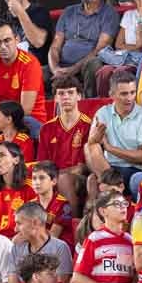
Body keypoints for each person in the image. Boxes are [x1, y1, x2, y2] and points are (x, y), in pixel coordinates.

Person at [69, 190, 136, 283]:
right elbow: (77, 278)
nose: (123, 208)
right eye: (117, 204)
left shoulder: (130, 241)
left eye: (125, 204)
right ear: (103, 211)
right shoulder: (94, 239)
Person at [48, 0, 120, 96]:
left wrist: (73, 69)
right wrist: (55, 69)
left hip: (85, 66)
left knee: (94, 64)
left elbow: (100, 49)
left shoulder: (109, 14)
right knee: (35, 71)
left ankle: (88, 105)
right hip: (61, 67)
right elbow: (55, 46)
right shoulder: (68, 11)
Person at [84, 70, 142, 194]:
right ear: (111, 94)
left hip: (134, 169)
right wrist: (94, 140)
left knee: (93, 180)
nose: (129, 98)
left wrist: (110, 148)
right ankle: (110, 185)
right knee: (90, 145)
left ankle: (109, 188)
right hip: (107, 167)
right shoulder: (103, 113)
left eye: (132, 93)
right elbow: (91, 147)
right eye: (123, 94)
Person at [0, 16, 47, 131]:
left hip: (30, 120)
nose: (3, 47)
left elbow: (25, 109)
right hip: (1, 120)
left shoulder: (29, 63)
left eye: (7, 40)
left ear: (17, 40)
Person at [35, 76, 90, 214]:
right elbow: (42, 164)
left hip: (80, 179)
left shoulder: (88, 125)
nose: (66, 97)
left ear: (79, 96)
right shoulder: (47, 128)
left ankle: (73, 220)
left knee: (64, 180)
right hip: (53, 177)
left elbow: (83, 168)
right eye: (61, 93)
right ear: (55, 98)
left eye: (70, 93)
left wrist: (57, 175)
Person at [2, 202, 73, 283]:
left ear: (35, 223)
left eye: (19, 223)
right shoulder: (17, 248)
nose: (15, 229)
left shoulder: (60, 247)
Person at [0, 0, 54, 68]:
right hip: (10, 69)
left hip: (37, 68)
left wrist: (20, 12)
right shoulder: (2, 19)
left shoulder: (39, 12)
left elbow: (38, 42)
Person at [0, 141, 36, 238]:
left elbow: (35, 226)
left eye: (2, 155)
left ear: (16, 160)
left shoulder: (31, 189)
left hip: (22, 241)